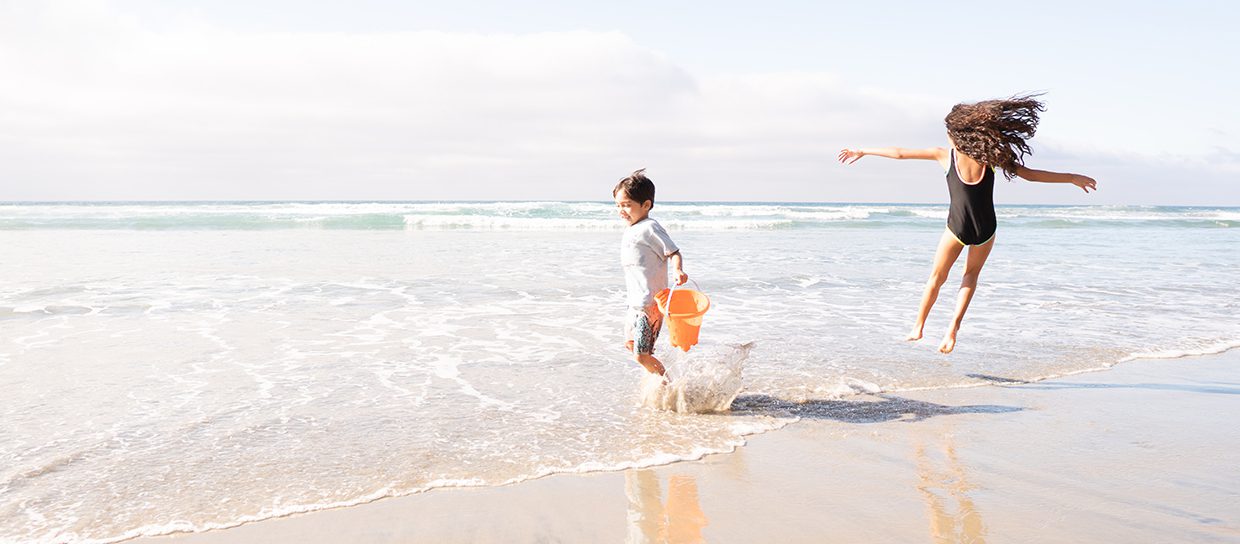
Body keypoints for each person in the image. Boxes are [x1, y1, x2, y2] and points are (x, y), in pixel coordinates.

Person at [837, 94, 1097, 353]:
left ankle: (918, 326)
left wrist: (864, 150)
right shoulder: (992, 157)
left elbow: (900, 154)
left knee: (936, 278)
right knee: (970, 276)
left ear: (957, 134)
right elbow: (1031, 176)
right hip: (986, 228)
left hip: (957, 227)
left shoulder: (945, 155)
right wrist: (1072, 177)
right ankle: (952, 329)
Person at [614, 168, 688, 376]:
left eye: (627, 205)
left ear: (646, 205)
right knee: (631, 345)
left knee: (641, 355)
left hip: (649, 306)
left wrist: (678, 270)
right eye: (618, 205)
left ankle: (668, 386)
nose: (621, 210)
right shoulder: (631, 229)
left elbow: (673, 252)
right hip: (634, 305)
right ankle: (659, 384)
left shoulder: (650, 228)